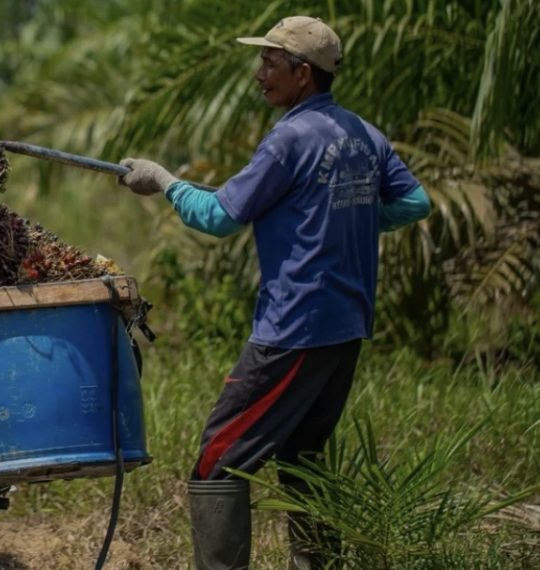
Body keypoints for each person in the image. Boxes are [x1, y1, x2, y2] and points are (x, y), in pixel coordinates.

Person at [117, 16, 431, 570]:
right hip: (347, 327)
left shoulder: (288, 139)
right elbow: (413, 204)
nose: (258, 73)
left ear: (303, 73)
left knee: (217, 461)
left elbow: (217, 217)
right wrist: (345, 217)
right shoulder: (363, 133)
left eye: (270, 62)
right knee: (303, 461)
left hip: (294, 329)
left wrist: (162, 180)